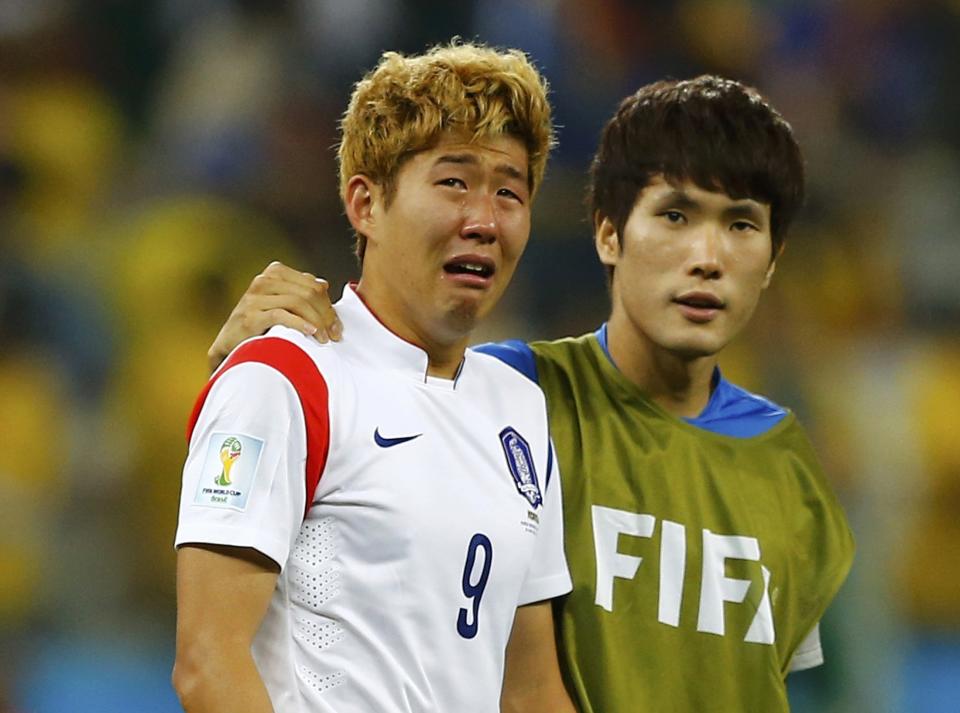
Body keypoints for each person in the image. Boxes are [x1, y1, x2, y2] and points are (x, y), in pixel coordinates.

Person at [210, 75, 856, 712]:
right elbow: (369, 382)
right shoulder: (515, 395)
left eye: (742, 225)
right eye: (676, 215)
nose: (707, 257)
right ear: (608, 233)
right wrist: (240, 361)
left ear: (774, 257)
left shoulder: (793, 464)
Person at [172, 42, 576, 713]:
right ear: (365, 203)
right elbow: (208, 663)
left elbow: (529, 688)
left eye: (509, 191)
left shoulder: (520, 409)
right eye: (454, 182)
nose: (483, 219)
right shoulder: (285, 376)